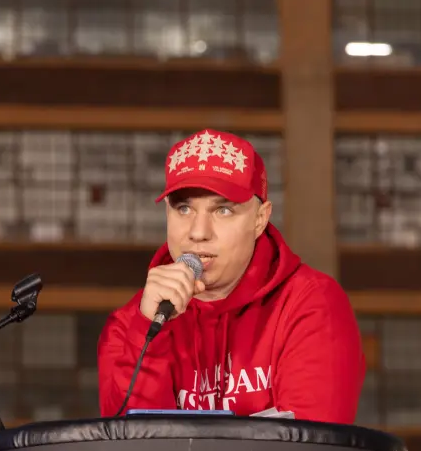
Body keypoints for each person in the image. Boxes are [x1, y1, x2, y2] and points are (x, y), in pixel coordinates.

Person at [96, 129, 365, 422]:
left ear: (260, 219)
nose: (198, 233)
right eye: (184, 208)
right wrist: (148, 333)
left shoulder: (311, 305)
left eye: (222, 211)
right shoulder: (128, 326)